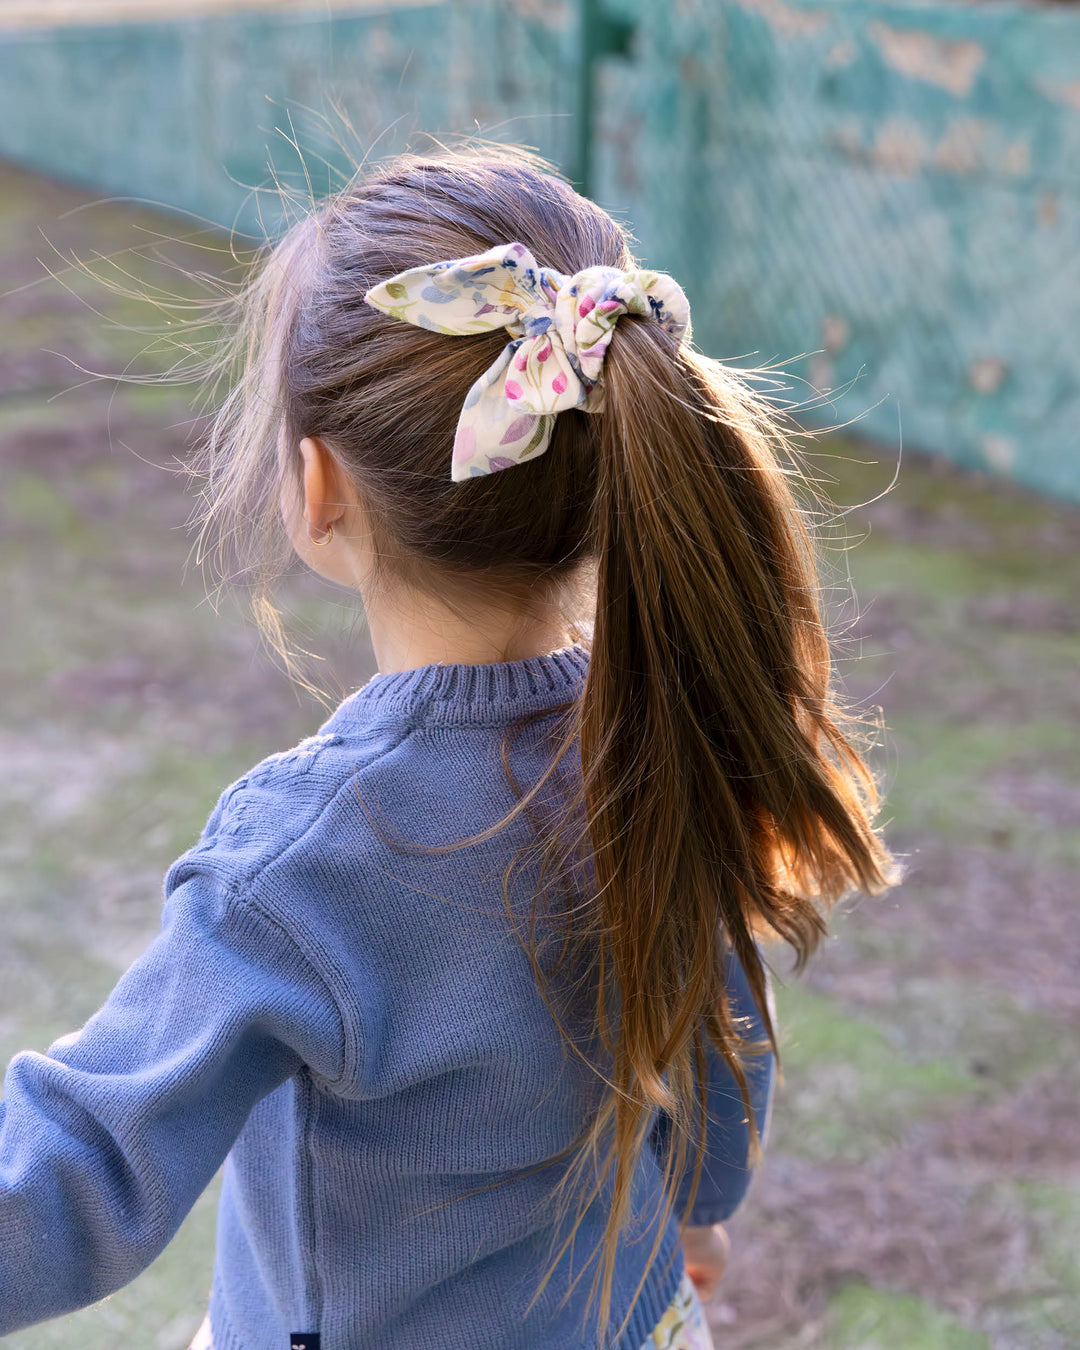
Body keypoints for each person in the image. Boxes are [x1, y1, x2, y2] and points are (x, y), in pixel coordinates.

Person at [0, 145, 898, 1350]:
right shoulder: (665, 738)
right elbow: (717, 1025)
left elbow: (90, 1156)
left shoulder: (300, 865)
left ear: (318, 489)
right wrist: (700, 1208)